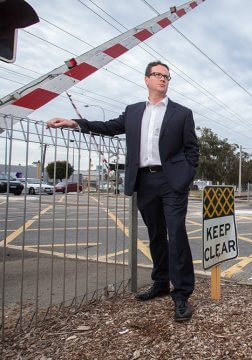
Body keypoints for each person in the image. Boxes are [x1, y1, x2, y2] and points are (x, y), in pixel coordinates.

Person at [46, 61, 199, 322]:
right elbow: (108, 127)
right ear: (146, 79)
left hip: (172, 182)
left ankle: (181, 294)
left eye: (166, 76)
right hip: (145, 181)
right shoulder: (133, 111)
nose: (163, 79)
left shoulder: (182, 113)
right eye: (157, 75)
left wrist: (184, 176)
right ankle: (160, 283)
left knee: (176, 233)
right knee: (155, 235)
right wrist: (75, 123)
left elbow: (191, 150)